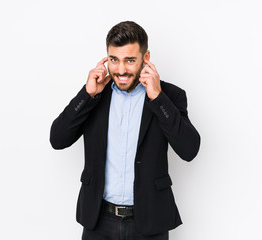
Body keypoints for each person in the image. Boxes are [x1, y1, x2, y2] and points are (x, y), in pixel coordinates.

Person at [50, 21, 201, 240]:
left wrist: (158, 99)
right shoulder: (96, 94)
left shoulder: (169, 95)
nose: (121, 70)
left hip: (149, 222)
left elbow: (190, 150)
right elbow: (58, 139)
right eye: (114, 60)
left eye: (130, 60)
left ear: (145, 57)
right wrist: (87, 94)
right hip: (99, 221)